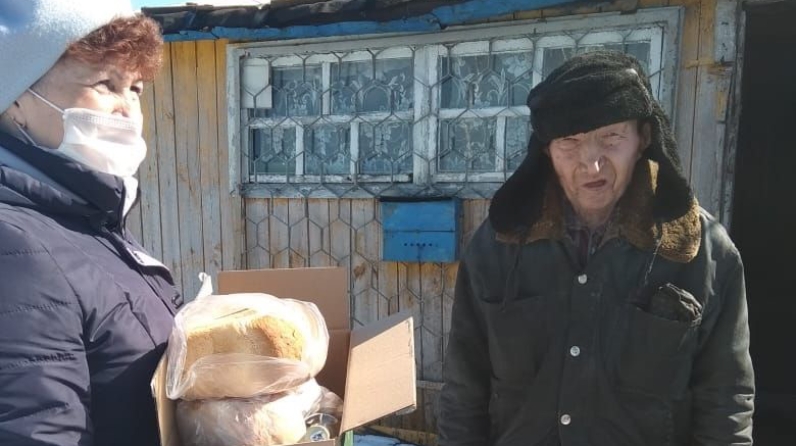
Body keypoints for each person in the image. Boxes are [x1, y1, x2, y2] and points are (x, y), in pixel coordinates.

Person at [438, 51, 754, 446]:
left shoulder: (703, 252)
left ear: (643, 138)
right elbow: (464, 392)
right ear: (546, 149)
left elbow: (725, 402)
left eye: (611, 137)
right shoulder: (497, 246)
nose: (592, 164)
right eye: (570, 142)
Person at [0, 1, 182, 445]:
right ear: (17, 100)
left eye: (135, 89)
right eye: (106, 84)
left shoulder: (88, 221)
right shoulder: (13, 246)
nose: (129, 111)